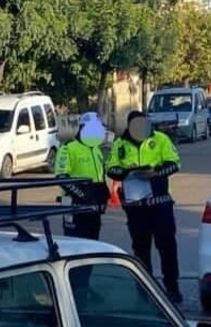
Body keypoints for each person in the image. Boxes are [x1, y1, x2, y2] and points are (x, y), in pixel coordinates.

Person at [107, 111, 183, 303]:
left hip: (159, 204)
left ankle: (172, 289)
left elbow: (174, 164)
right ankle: (145, 291)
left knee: (167, 247)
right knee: (140, 250)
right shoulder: (120, 144)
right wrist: (127, 171)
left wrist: (155, 172)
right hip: (135, 207)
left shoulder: (160, 139)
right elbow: (112, 169)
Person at [54, 112, 110, 240]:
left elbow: (100, 177)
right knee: (76, 244)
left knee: (93, 244)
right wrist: (83, 196)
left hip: (94, 208)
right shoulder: (68, 148)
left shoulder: (96, 149)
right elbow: (62, 177)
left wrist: (103, 197)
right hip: (75, 207)